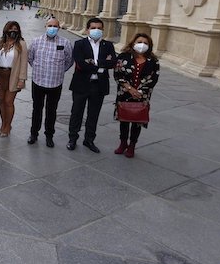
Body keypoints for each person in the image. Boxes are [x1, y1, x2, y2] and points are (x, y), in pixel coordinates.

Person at [67, 17, 117, 152]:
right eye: (93, 28)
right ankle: (72, 138)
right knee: (76, 112)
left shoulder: (108, 45)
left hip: (99, 85)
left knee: (93, 114)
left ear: (103, 30)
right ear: (87, 29)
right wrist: (101, 64)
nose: (96, 30)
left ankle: (89, 140)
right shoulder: (79, 44)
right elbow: (81, 64)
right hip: (81, 84)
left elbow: (112, 63)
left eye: (99, 28)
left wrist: (94, 62)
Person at [27, 18, 73, 147]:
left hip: (55, 83)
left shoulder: (65, 42)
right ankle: (34, 134)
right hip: (38, 81)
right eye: (50, 25)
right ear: (45, 26)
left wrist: (59, 71)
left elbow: (69, 61)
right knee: (37, 109)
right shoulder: (36, 42)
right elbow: (30, 58)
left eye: (55, 26)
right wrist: (39, 69)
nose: (52, 28)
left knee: (51, 111)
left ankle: (49, 135)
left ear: (59, 28)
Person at [113, 33, 160, 158]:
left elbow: (154, 78)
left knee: (137, 120)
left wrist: (140, 91)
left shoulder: (153, 61)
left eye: (145, 43)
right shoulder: (124, 57)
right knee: (124, 119)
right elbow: (117, 74)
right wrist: (129, 88)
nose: (142, 45)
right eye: (139, 42)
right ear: (133, 43)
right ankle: (123, 143)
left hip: (142, 95)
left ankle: (132, 145)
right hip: (124, 93)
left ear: (149, 46)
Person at [0, 21, 28, 137]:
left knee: (9, 102)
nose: (13, 31)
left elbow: (24, 62)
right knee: (1, 101)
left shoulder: (21, 44)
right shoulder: (1, 42)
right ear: (6, 30)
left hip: (12, 75)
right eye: (11, 29)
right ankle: (3, 124)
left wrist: (22, 79)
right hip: (0, 74)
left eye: (15, 29)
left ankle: (8, 126)